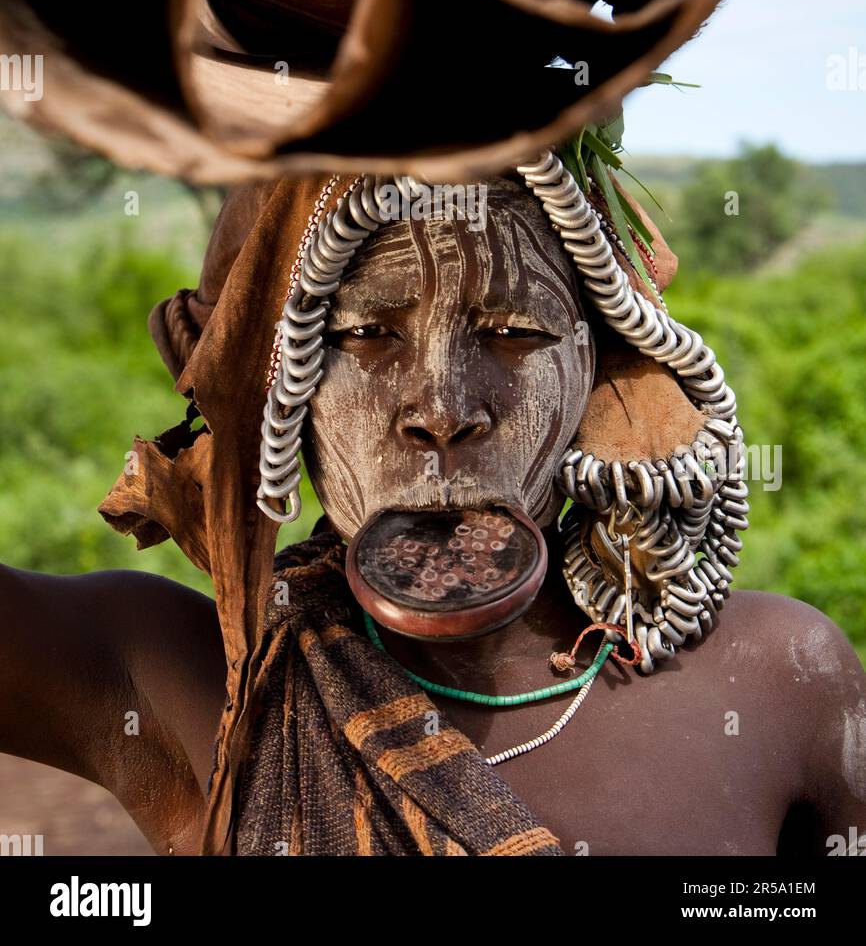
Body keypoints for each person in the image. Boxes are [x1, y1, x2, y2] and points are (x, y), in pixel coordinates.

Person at [1, 162, 864, 856]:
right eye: (368, 335)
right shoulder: (188, 676)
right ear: (275, 392)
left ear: (602, 371)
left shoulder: (782, 679)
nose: (443, 408)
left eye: (512, 333)